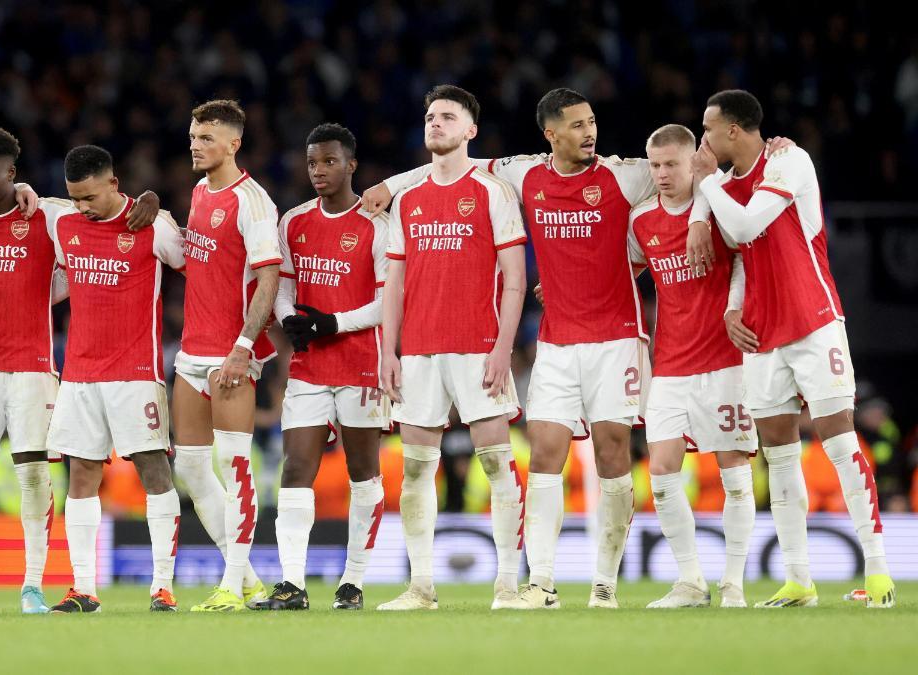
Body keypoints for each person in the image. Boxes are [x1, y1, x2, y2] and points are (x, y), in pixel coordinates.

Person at [366, 88, 792, 609]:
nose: (590, 132)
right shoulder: (524, 174)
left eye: (592, 121)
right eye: (577, 125)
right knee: (544, 453)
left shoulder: (624, 173)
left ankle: (604, 588)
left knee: (613, 452)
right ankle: (541, 584)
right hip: (557, 342)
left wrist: (743, 175)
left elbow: (696, 166)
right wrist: (391, 184)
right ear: (551, 134)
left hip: (616, 339)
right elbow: (461, 162)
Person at [0, 129, 161, 615]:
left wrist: (148, 197)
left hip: (33, 370)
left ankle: (32, 588)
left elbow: (109, 208)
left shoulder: (48, 214)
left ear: (11, 173)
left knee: (34, 479)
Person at [691, 89, 895, 609]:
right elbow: (741, 255)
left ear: (733, 130)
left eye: (709, 129)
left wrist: (706, 180)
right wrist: (732, 308)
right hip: (762, 334)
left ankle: (877, 573)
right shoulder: (729, 183)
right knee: (779, 459)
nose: (705, 140)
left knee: (839, 442)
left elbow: (743, 226)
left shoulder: (789, 160)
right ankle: (799, 580)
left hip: (813, 321)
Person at [376, 85, 527, 611]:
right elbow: (391, 284)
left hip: (477, 345)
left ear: (471, 131)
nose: (435, 123)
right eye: (430, 116)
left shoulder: (491, 191)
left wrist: (503, 347)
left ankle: (508, 584)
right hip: (417, 351)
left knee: (496, 465)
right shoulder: (408, 201)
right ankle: (421, 587)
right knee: (415, 468)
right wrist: (386, 352)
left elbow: (514, 278)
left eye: (447, 117)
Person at [253, 123, 390, 611]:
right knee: (296, 467)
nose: (319, 171)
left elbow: (386, 302)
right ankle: (292, 584)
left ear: (351, 165)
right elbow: (284, 283)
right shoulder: (294, 222)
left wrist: (331, 323)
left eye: (329, 161)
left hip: (360, 367)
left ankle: (352, 581)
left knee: (361, 472)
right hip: (309, 367)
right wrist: (291, 317)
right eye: (312, 163)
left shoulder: (377, 225)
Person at [44, 145, 185, 613]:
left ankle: (162, 586)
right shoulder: (64, 224)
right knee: (80, 474)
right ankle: (84, 588)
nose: (83, 207)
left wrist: (158, 202)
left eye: (89, 197)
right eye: (74, 198)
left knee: (152, 469)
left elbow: (194, 261)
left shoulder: (151, 225)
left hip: (135, 372)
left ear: (112, 183)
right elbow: (21, 198)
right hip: (80, 374)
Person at [626, 124, 757, 609]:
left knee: (733, 472)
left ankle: (734, 584)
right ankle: (690, 582)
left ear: (692, 163)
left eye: (671, 165)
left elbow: (746, 257)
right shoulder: (641, 221)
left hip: (726, 360)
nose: (661, 174)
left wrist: (734, 307)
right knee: (660, 470)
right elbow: (626, 267)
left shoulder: (719, 208)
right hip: (672, 365)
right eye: (655, 165)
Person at [172, 99, 279, 611]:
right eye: (194, 136)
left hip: (229, 356)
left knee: (235, 466)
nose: (196, 145)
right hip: (190, 352)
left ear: (233, 143)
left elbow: (268, 277)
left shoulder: (253, 202)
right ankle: (250, 580)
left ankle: (231, 587)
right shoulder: (197, 192)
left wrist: (242, 349)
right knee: (191, 469)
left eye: (207, 138)